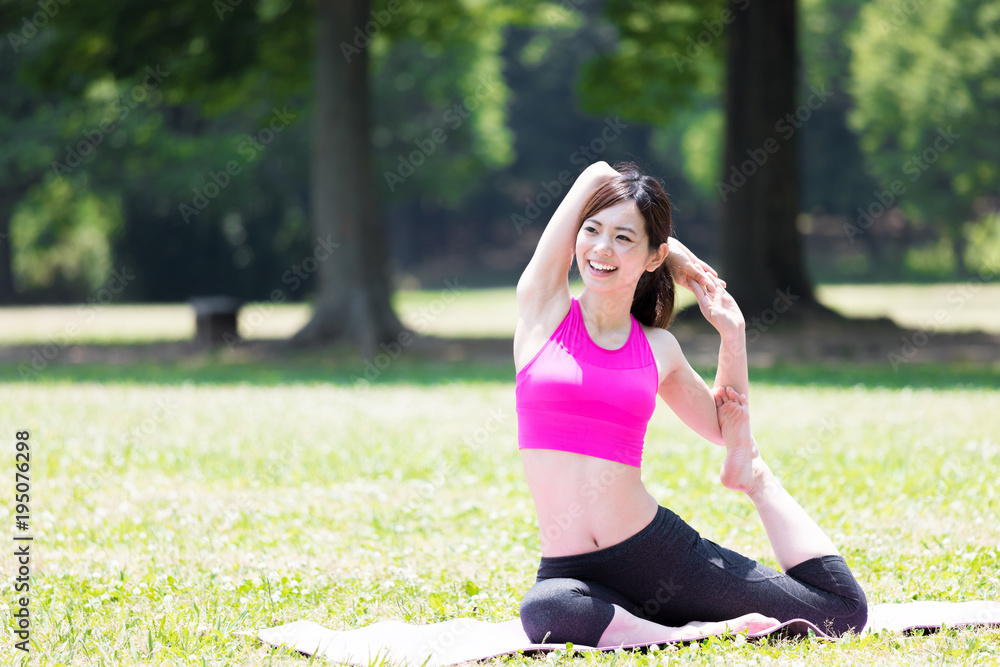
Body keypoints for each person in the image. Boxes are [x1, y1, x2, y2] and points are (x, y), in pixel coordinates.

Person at [514, 160, 867, 647]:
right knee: (546, 611)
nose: (601, 248)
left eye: (623, 239)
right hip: (568, 566)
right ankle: (680, 633)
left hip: (654, 555)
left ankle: (755, 481)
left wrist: (732, 334)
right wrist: (678, 258)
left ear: (648, 257)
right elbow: (597, 170)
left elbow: (725, 427)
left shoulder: (657, 349)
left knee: (840, 613)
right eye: (592, 230)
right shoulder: (543, 311)